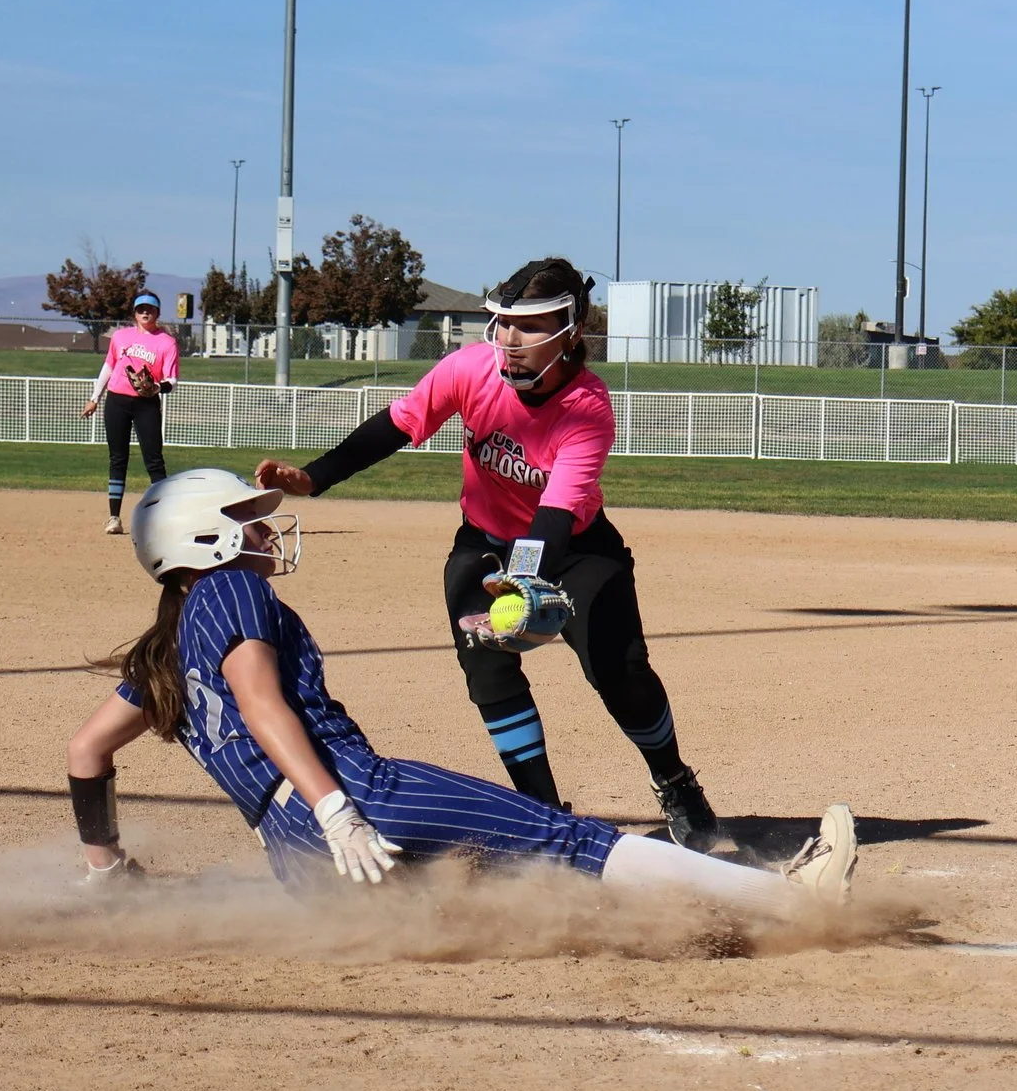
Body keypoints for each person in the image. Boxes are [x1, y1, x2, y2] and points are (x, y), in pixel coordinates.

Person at [64, 468, 856, 914]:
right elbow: (263, 703)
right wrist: (337, 808)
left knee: (503, 883)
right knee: (566, 840)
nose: (267, 531)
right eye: (248, 519)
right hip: (357, 800)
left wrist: (105, 869)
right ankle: (790, 901)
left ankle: (691, 921)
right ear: (209, 540)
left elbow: (86, 749)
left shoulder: (165, 645)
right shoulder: (233, 591)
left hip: (295, 859)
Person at [254, 257, 730, 853]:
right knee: (488, 671)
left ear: (571, 330)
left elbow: (557, 511)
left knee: (619, 669)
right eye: (503, 323)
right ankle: (545, 819)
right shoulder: (470, 369)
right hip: (483, 539)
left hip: (574, 546)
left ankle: (674, 779)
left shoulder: (586, 406)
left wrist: (523, 583)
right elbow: (399, 424)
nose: (510, 339)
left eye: (530, 326)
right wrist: (315, 477)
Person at [79, 291, 179, 536]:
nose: (145, 313)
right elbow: (108, 367)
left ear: (157, 313)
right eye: (140, 309)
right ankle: (114, 517)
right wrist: (94, 398)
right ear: (134, 313)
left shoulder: (166, 342)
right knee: (117, 458)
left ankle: (163, 517)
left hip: (146, 404)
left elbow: (172, 380)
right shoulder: (121, 337)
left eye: (151, 309)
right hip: (117, 401)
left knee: (154, 460)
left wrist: (156, 387)